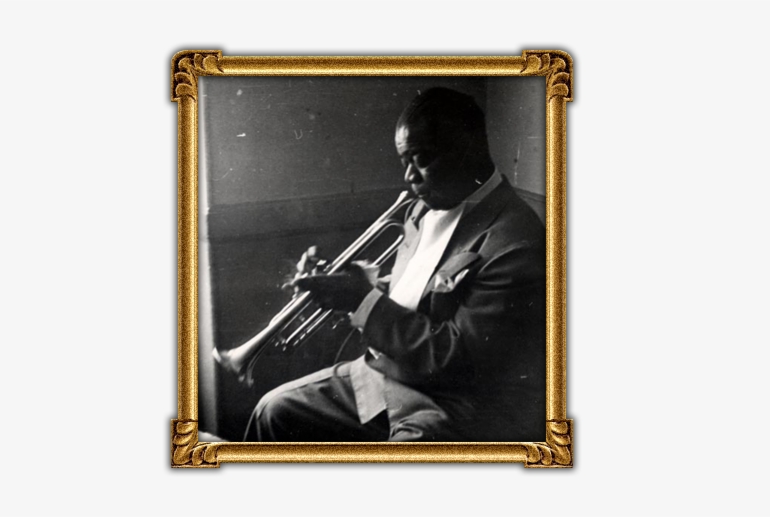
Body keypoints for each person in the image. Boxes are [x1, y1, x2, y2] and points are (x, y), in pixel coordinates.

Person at [222, 87, 546, 442]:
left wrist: (361, 300)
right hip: (385, 372)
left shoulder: (516, 241)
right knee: (273, 410)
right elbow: (414, 292)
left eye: (420, 158)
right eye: (404, 161)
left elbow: (457, 359)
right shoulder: (423, 208)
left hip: (449, 400)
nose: (408, 176)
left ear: (467, 148)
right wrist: (346, 283)